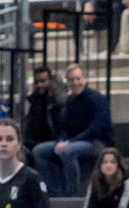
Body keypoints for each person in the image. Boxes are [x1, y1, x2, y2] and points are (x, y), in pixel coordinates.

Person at [32, 63, 113, 197]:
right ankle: (52, 192)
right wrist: (61, 140)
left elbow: (95, 129)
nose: (75, 82)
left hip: (97, 142)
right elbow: (64, 127)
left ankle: (72, 193)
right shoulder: (70, 100)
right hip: (74, 141)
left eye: (78, 78)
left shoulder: (96, 99)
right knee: (39, 151)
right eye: (71, 79)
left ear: (84, 79)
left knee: (67, 150)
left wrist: (69, 142)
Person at [22, 65, 65, 148]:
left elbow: (61, 127)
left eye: (43, 81)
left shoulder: (58, 100)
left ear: (50, 80)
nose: (39, 85)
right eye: (36, 82)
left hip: (54, 141)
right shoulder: (34, 100)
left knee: (38, 151)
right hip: (35, 141)